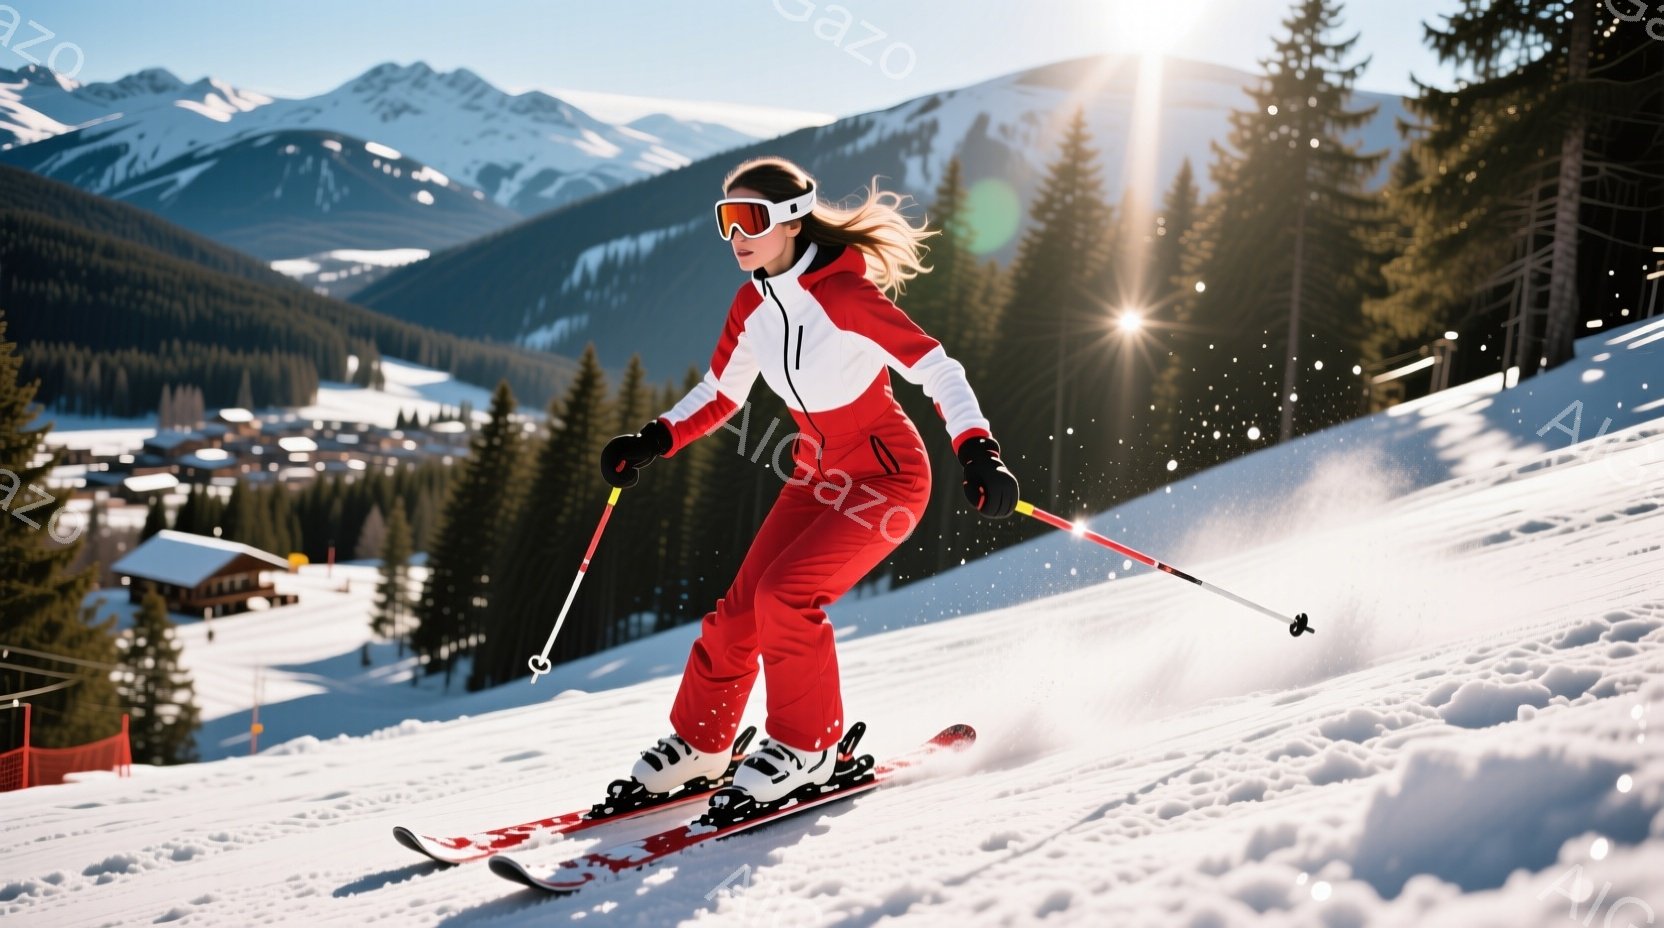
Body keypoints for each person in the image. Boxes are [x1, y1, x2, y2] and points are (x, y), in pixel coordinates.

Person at [600, 156, 1018, 805]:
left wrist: (978, 452)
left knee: (788, 597)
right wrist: (654, 438)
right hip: (815, 476)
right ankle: (704, 744)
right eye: (726, 219)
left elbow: (938, 369)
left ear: (792, 221)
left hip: (886, 477)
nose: (736, 234)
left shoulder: (845, 296)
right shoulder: (752, 304)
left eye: (751, 218)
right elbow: (719, 392)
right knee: (737, 613)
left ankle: (809, 746)